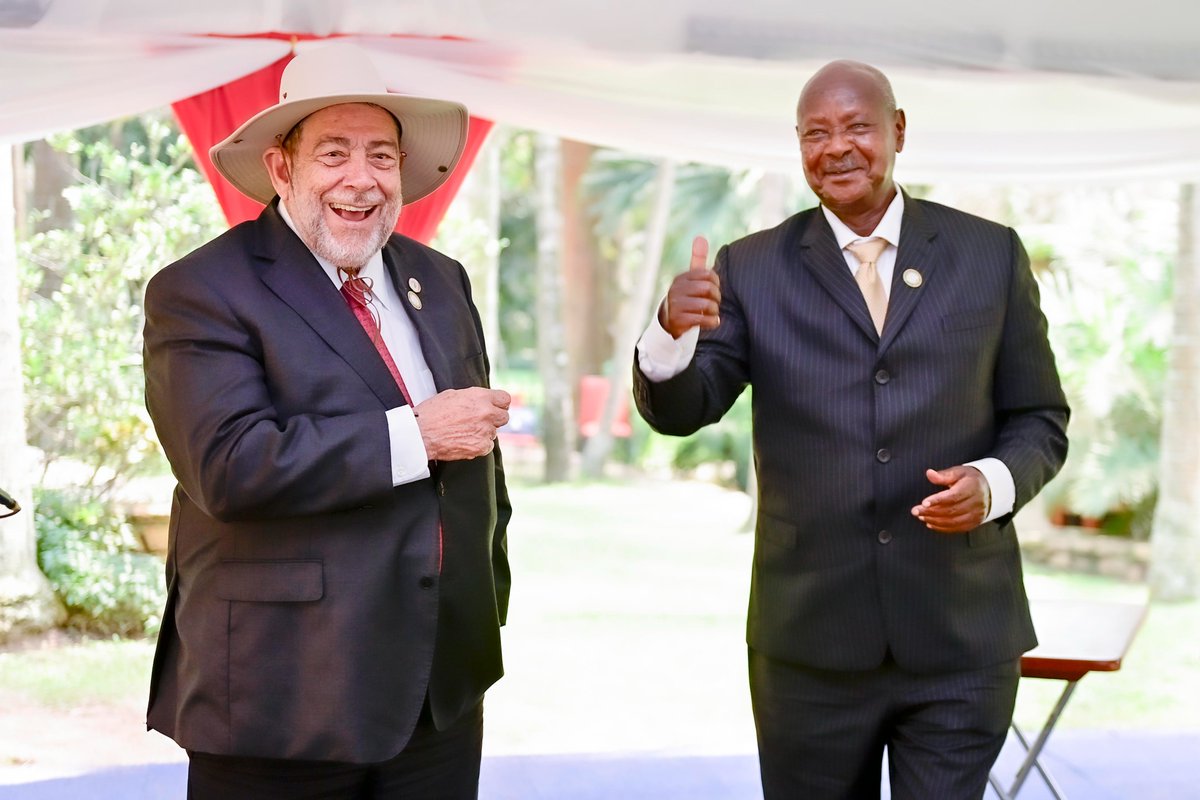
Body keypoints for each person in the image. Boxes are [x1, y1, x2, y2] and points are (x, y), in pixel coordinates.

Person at [633, 60, 1068, 799]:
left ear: (897, 131)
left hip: (960, 637)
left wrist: (993, 485)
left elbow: (1040, 418)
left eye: (857, 127)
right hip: (809, 648)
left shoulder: (990, 255)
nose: (837, 148)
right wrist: (671, 331)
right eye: (816, 133)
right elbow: (684, 411)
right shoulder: (751, 267)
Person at [142, 42, 512, 799]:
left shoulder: (440, 280)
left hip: (439, 696)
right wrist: (418, 436)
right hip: (282, 699)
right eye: (334, 152)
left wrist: (486, 587)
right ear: (282, 169)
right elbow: (229, 465)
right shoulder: (201, 289)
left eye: (381, 154)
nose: (361, 177)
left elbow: (477, 463)